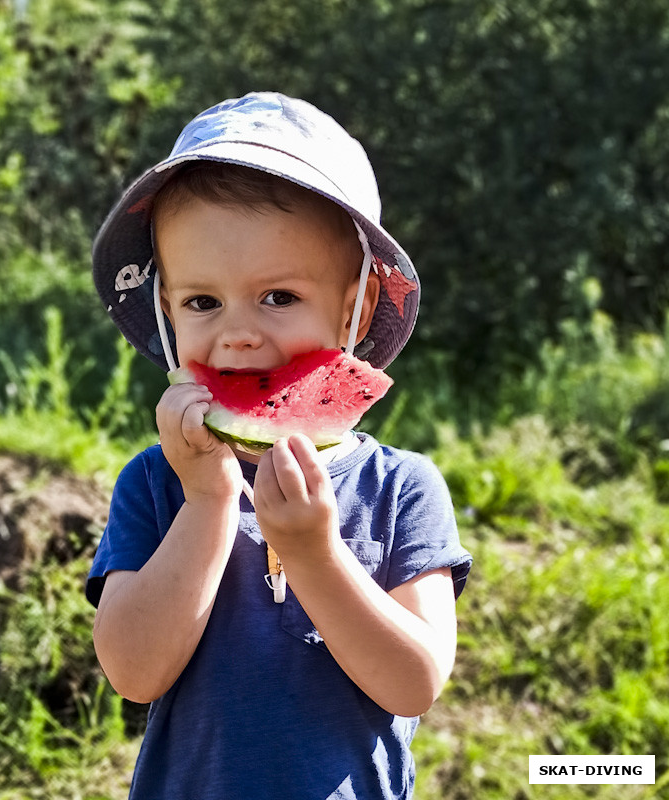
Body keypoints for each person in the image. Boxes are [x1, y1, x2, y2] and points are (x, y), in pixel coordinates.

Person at [86, 91, 472, 800]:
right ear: (167, 312)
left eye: (278, 297)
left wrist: (316, 552)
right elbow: (133, 674)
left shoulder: (403, 489)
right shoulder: (153, 482)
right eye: (203, 302)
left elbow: (414, 683)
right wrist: (205, 500)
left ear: (354, 308)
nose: (237, 333)